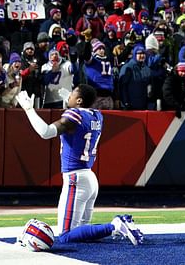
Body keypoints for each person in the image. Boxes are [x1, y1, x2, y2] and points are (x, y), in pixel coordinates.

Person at [16, 84, 144, 245]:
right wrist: (70, 100)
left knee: (65, 235)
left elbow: (46, 132)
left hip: (75, 179)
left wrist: (28, 109)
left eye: (72, 95)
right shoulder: (97, 115)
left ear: (79, 101)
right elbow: (80, 117)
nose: (68, 96)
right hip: (89, 178)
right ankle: (117, 225)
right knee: (82, 232)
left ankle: (115, 225)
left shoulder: (74, 115)